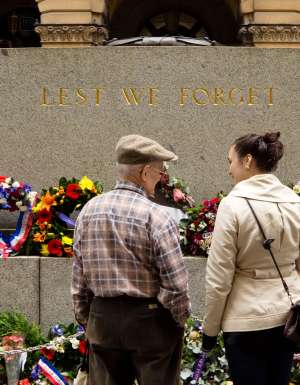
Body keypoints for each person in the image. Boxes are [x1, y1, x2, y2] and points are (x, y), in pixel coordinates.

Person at [71, 134, 191, 385]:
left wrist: (87, 317)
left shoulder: (89, 211)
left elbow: (79, 279)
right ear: (145, 171)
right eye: (160, 171)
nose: (161, 177)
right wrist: (178, 319)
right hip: (150, 319)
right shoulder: (155, 216)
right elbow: (176, 284)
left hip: (103, 317)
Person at [202, 131, 300, 385]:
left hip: (245, 320)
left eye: (230, 161)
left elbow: (219, 277)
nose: (229, 170)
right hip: (288, 318)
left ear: (246, 160)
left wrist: (210, 330)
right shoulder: (294, 202)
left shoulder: (232, 205)